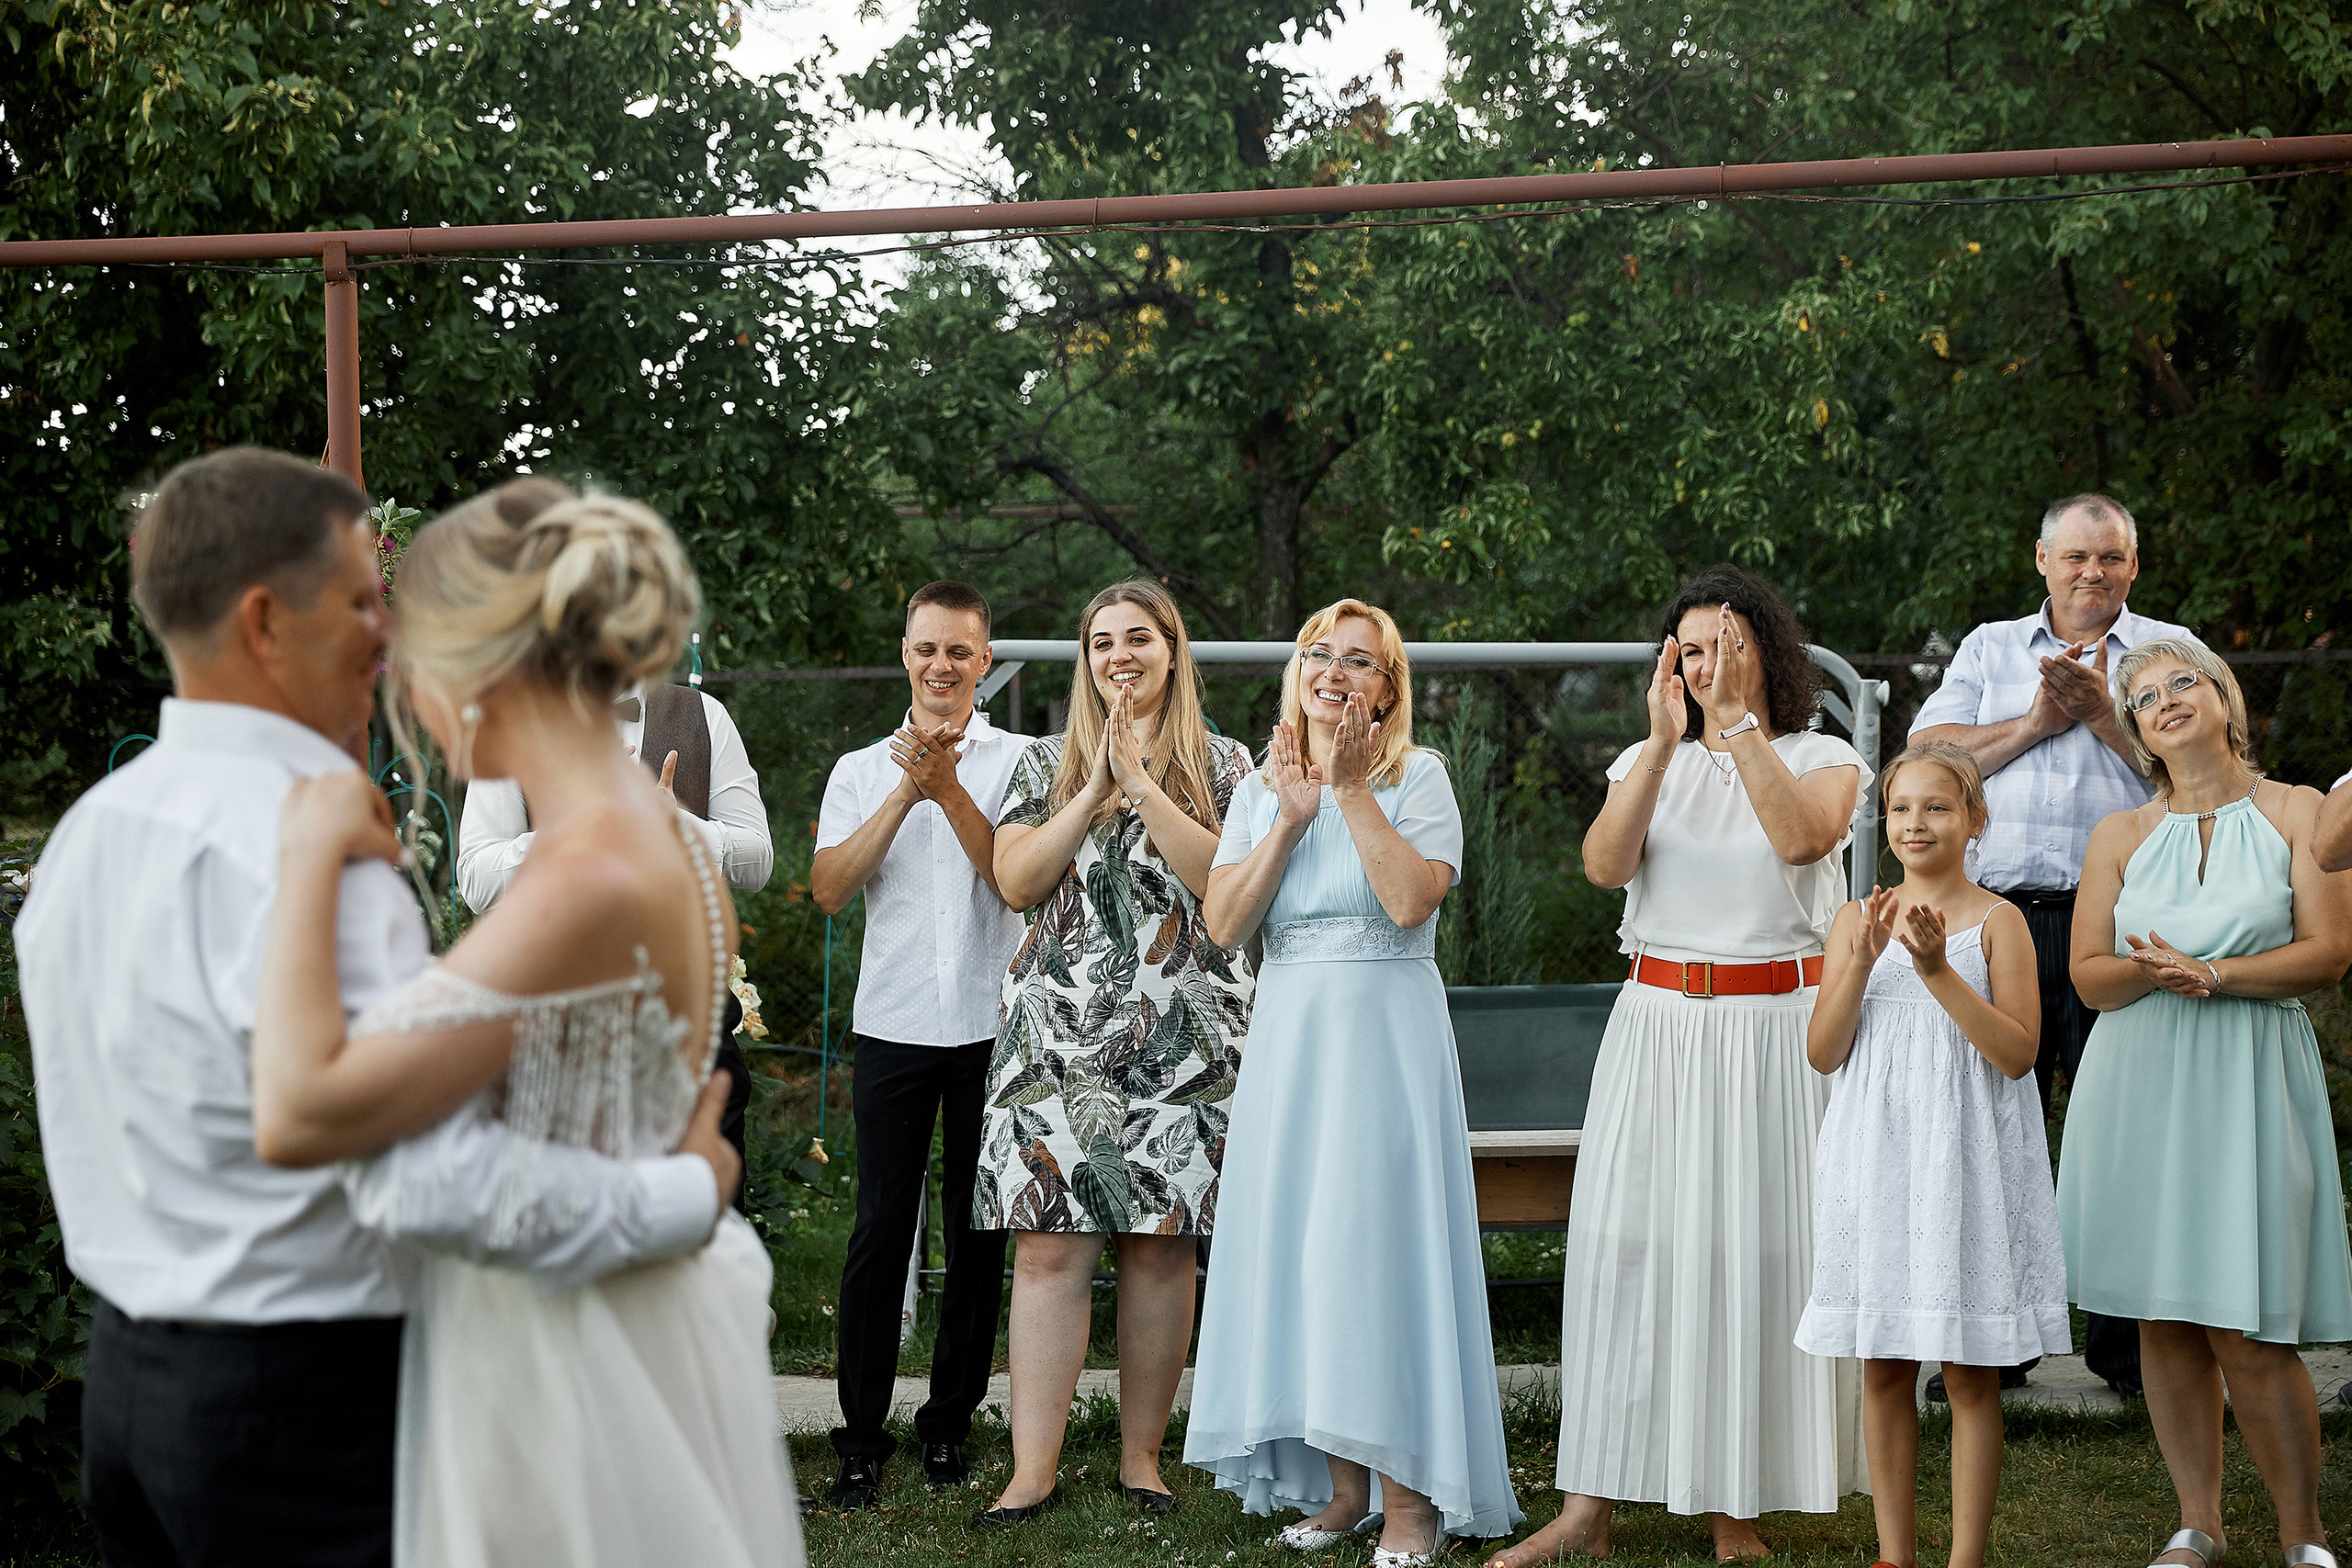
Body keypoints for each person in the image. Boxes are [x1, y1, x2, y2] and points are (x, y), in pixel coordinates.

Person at [14, 448, 741, 1568]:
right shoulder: (323, 848)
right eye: (362, 600)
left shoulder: (86, 836)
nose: (387, 639)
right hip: (306, 1411)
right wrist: (680, 1196)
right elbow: (414, 1173)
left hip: (123, 1396)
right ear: (264, 621)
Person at [243, 483, 801, 1564]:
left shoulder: (584, 874)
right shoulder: (668, 840)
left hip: (559, 1367)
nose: (402, 681)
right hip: (626, 1326)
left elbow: (306, 1112)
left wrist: (308, 863)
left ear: (484, 656)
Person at [1494, 565, 1867, 1567]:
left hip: (1772, 1033)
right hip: (1657, 1024)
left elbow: (1800, 838)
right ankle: (1586, 1510)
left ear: (1766, 656)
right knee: (1627, 1253)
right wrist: (1662, 749)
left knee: (1749, 1257)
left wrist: (1738, 729)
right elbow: (1605, 868)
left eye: (1728, 648)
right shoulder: (1642, 758)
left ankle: (1733, 1507)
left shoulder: (1819, 753)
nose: (1709, 667)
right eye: (1692, 650)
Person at [1188, 598, 1521, 1566]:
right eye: (1320, 655)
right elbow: (1225, 925)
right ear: (1298, 672)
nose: (1336, 672)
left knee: (1373, 1254)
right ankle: (1342, 1492)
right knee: (1307, 1255)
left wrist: (1347, 790)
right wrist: (1292, 817)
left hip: (1383, 1049)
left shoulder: (1419, 777)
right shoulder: (1260, 788)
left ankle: (1412, 1506)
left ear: (1388, 689)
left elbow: (1412, 898)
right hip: (1291, 1042)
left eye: (1360, 662)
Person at [2057, 637, 2350, 1568]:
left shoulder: (2299, 811)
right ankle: (2199, 1525)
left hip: (2249, 1071)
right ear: (2138, 732)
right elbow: (2090, 979)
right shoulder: (2119, 835)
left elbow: (2328, 953)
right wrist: (2155, 974)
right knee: (2165, 1311)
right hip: (2139, 1078)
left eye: (2182, 681)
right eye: (2143, 696)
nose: (2165, 699)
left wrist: (2214, 972)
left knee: (2249, 1317)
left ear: (2225, 700)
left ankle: (2304, 1536)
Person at [975, 580, 1256, 1528]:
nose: (1119, 656)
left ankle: (1142, 1459)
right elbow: (1014, 880)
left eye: (1138, 639)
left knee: (1161, 1252)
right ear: (1084, 661)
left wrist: (1142, 784)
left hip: (1186, 1034)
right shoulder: (1039, 763)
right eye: (1101, 643)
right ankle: (1033, 1472)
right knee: (1049, 1252)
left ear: (1173, 651)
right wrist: (1095, 786)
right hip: (1055, 1038)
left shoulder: (1227, 764)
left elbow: (1228, 889)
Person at [1910, 492, 2192, 1397]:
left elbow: (2202, 773)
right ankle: (2000, 1344)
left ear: (2132, 566)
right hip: (1998, 924)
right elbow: (1928, 758)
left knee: (2120, 1136)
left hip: (2122, 926)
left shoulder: (2167, 654)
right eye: (2074, 557)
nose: (2090, 573)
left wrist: (2106, 718)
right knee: (1995, 1131)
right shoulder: (1991, 648)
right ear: (2042, 559)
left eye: (2108, 559)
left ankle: (2125, 1352)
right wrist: (2037, 724)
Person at [1796, 742, 2068, 1568]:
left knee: (1967, 1371)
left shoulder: (2001, 923)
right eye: (1903, 807)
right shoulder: (1856, 918)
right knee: (1884, 1364)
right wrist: (1869, 957)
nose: (1917, 822)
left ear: (1976, 819)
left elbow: (2018, 1052)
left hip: (1965, 1165)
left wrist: (1937, 968)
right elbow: (1823, 1050)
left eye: (1938, 806)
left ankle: (1966, 1559)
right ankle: (1895, 1554)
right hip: (1880, 1162)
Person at [455, 480, 772, 1178]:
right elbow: (476, 878)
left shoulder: (702, 718)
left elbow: (758, 860)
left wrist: (683, 828)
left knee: (702, 1231)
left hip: (686, 1026)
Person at [808, 580, 1026, 1506]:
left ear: (984, 660)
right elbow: (827, 886)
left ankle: (948, 1425)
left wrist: (953, 790)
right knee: (878, 1230)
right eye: (926, 648)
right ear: (905, 654)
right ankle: (859, 1436)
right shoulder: (860, 768)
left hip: (991, 1022)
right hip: (894, 1023)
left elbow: (1019, 884)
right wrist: (909, 790)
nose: (941, 665)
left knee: (979, 1235)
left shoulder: (1022, 762)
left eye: (959, 651)